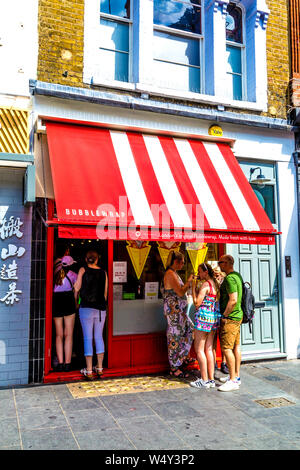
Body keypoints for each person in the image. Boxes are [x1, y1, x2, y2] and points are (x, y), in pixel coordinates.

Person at [74, 250, 108, 380]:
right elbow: (105, 294)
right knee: (99, 337)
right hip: (100, 309)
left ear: (86, 258)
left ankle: (88, 370)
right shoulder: (103, 273)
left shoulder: (83, 270)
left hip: (86, 308)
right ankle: (99, 368)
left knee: (88, 338)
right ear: (97, 259)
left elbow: (77, 287)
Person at [162, 250, 194, 378]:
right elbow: (180, 292)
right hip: (174, 313)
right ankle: (174, 367)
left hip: (180, 313)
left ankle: (182, 357)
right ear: (176, 261)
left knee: (188, 331)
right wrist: (189, 281)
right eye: (182, 262)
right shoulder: (170, 274)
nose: (183, 265)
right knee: (174, 338)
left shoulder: (174, 273)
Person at [190, 263, 220, 389]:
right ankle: (211, 379)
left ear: (205, 272)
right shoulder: (215, 284)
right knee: (208, 349)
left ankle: (204, 380)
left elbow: (197, 303)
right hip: (212, 319)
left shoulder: (205, 284)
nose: (198, 274)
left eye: (200, 271)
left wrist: (192, 287)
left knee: (199, 350)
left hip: (202, 319)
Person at [217, 255, 243, 392]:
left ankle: (232, 380)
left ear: (226, 263)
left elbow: (233, 300)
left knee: (227, 348)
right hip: (238, 316)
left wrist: (224, 316)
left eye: (220, 262)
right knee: (236, 346)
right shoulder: (237, 276)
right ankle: (236, 376)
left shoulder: (230, 279)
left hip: (231, 317)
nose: (219, 264)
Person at [52, 255, 78, 372]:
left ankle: (60, 362)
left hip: (56, 301)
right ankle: (68, 364)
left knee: (59, 335)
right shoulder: (73, 275)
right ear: (72, 264)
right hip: (69, 301)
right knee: (69, 334)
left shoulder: (55, 273)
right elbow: (77, 290)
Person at [212, 268, 229, 374]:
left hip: (222, 312)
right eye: (214, 271)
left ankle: (224, 363)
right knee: (212, 339)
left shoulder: (226, 280)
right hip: (213, 313)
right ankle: (213, 363)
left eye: (218, 270)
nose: (216, 272)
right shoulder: (211, 282)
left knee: (224, 339)